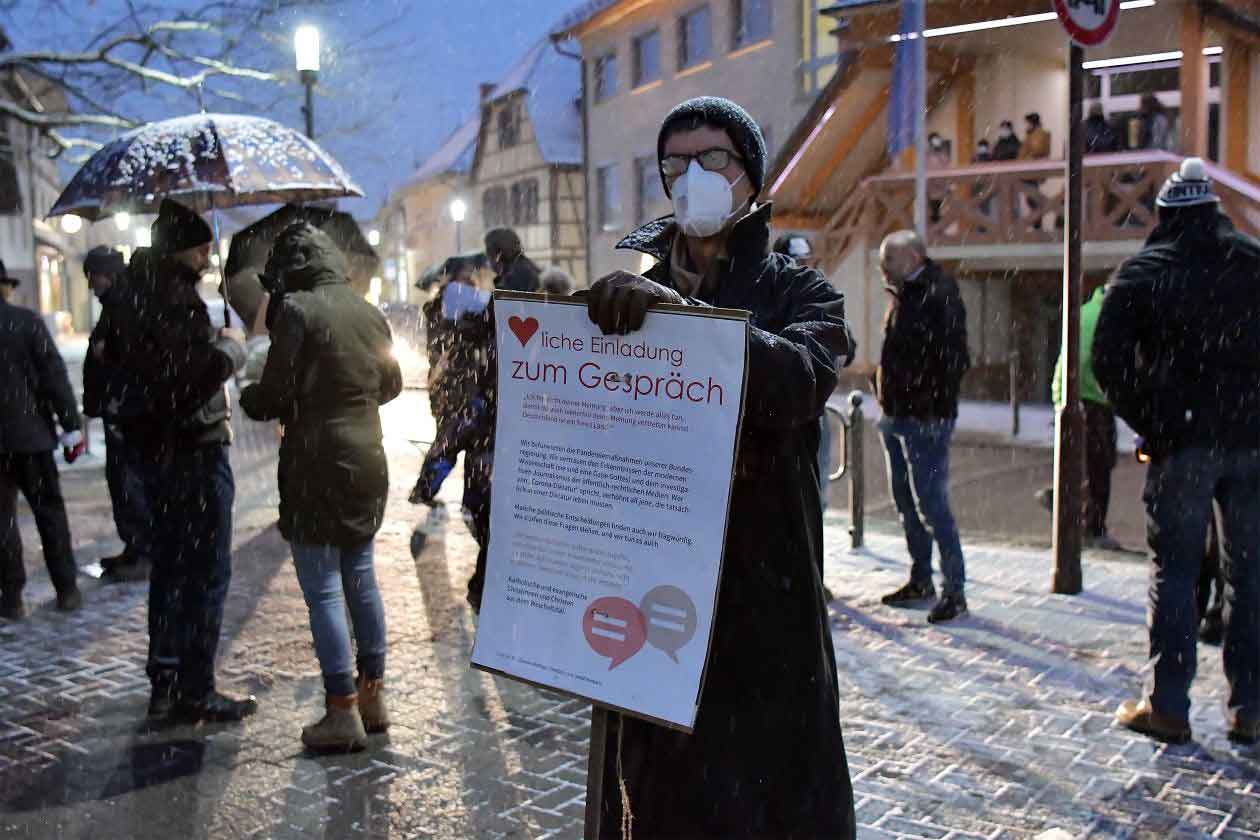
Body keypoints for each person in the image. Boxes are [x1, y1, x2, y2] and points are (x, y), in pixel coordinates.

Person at [583, 96, 856, 838]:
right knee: (664, 801)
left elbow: (800, 379)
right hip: (655, 597)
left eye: (714, 161)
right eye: (676, 164)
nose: (693, 177)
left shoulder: (801, 292)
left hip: (764, 601)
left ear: (751, 178)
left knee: (766, 804)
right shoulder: (621, 294)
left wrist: (679, 321)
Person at [1094, 158, 1260, 745]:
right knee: (1251, 574)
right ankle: (1251, 709)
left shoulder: (1144, 272)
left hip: (1183, 442)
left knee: (1177, 571)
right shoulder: (1252, 261)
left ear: (1165, 215)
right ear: (1213, 211)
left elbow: (1106, 361)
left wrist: (1156, 422)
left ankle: (1167, 705)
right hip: (1251, 440)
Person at [240, 222, 402, 752]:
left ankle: (340, 712)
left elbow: (276, 391)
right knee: (361, 575)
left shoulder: (297, 310)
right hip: (367, 458)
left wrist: (251, 396)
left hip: (315, 461)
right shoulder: (366, 309)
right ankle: (372, 694)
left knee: (325, 587)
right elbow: (392, 384)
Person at [118, 199, 254, 723]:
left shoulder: (133, 294)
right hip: (193, 453)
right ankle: (197, 688)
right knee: (207, 569)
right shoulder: (174, 298)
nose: (206, 257)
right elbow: (186, 379)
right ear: (181, 249)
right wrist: (229, 352)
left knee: (170, 569)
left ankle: (165, 680)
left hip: (155, 453)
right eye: (201, 249)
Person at [875, 230, 971, 624]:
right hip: (897, 414)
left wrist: (923, 404)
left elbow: (953, 359)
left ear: (913, 256)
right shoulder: (906, 292)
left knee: (932, 505)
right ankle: (921, 578)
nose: (883, 269)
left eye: (889, 261)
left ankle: (954, 590)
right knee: (906, 503)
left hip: (923, 419)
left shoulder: (938, 293)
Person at [409, 253, 496, 610]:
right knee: (453, 447)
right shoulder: (445, 308)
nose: (474, 278)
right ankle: (430, 487)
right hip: (463, 392)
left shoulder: (453, 307)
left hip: (463, 394)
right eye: (469, 274)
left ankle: (430, 488)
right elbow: (449, 343)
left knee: (454, 447)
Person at [0, 260, 85, 619]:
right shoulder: (26, 322)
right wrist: (71, 426)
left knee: (1, 523)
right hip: (32, 437)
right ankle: (66, 588)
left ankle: (10, 598)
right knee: (50, 514)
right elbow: (54, 378)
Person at [82, 246, 153, 583]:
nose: (90, 284)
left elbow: (130, 356)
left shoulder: (125, 305)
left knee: (128, 481)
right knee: (122, 481)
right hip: (121, 409)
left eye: (91, 276)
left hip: (127, 411)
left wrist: (104, 353)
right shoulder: (116, 303)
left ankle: (143, 550)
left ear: (106, 274)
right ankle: (135, 546)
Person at [1035, 283, 1121, 550]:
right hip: (1093, 400)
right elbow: (1100, 364)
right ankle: (1090, 526)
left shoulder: (1083, 312)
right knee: (1100, 466)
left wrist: (1059, 395)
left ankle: (1065, 500)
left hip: (1074, 397)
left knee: (1084, 461)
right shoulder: (1107, 318)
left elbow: (1069, 359)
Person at [484, 228, 540, 292]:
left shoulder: (519, 274)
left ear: (499, 252)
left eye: (488, 250)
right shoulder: (521, 266)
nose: (486, 254)